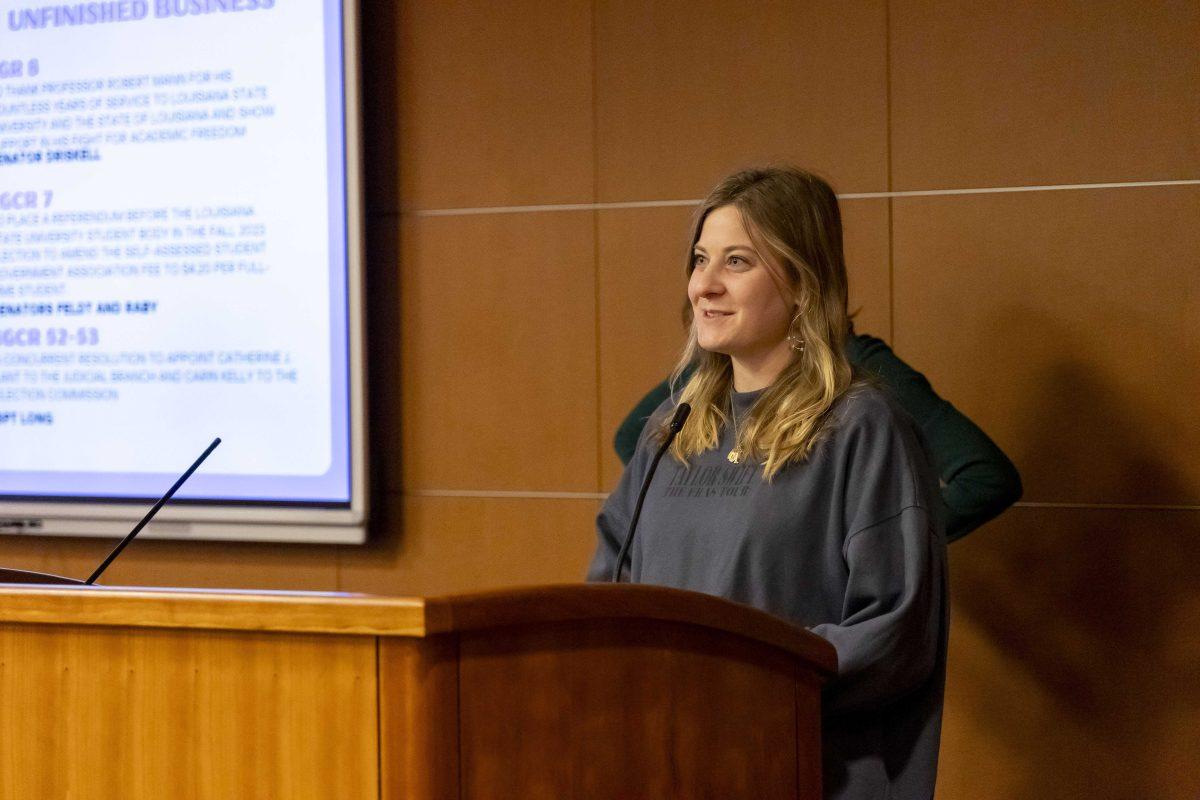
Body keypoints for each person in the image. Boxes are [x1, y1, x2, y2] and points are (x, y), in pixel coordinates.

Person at [588, 167, 947, 800]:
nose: (706, 285)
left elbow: (896, 627)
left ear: (804, 284)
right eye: (700, 260)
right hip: (668, 767)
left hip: (800, 769)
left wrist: (746, 684)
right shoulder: (671, 430)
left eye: (737, 262)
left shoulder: (861, 428)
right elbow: (606, 599)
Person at [614, 331, 1022, 543]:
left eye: (740, 263)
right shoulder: (726, 363)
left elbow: (985, 478)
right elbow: (634, 438)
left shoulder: (856, 363)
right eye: (702, 260)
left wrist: (875, 542)